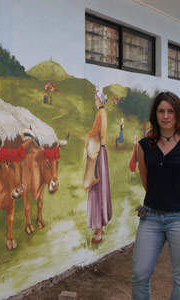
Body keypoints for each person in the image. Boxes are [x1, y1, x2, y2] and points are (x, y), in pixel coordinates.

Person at [131, 91, 180, 300]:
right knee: (139, 274)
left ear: (178, 114)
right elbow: (146, 181)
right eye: (161, 111)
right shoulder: (144, 146)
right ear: (155, 114)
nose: (165, 116)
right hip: (151, 218)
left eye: (170, 111)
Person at [83, 85, 112, 243]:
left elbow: (94, 131)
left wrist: (87, 137)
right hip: (102, 152)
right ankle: (100, 226)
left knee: (96, 189)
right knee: (101, 188)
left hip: (98, 153)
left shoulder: (100, 113)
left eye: (95, 99)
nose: (94, 102)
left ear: (99, 100)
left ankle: (98, 231)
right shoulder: (104, 113)